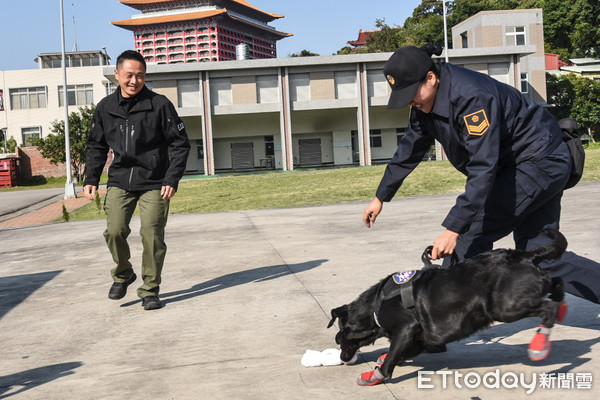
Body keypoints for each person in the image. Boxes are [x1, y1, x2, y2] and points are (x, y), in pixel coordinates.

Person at [363, 44, 600, 305]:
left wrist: (453, 228)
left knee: (467, 237)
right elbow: (410, 148)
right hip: (529, 163)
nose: (410, 102)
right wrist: (381, 196)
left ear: (431, 78)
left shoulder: (472, 97)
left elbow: (482, 166)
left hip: (538, 161)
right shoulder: (423, 105)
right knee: (541, 254)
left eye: (411, 94)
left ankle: (435, 327)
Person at [84, 50, 190, 310]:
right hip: (120, 179)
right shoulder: (105, 108)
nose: (134, 81)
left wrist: (171, 178)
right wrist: (91, 178)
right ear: (117, 74)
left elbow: (180, 144)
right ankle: (123, 273)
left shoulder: (160, 105)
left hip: (154, 181)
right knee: (115, 231)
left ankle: (150, 290)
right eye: (129, 75)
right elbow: (96, 146)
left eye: (140, 76)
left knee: (151, 234)